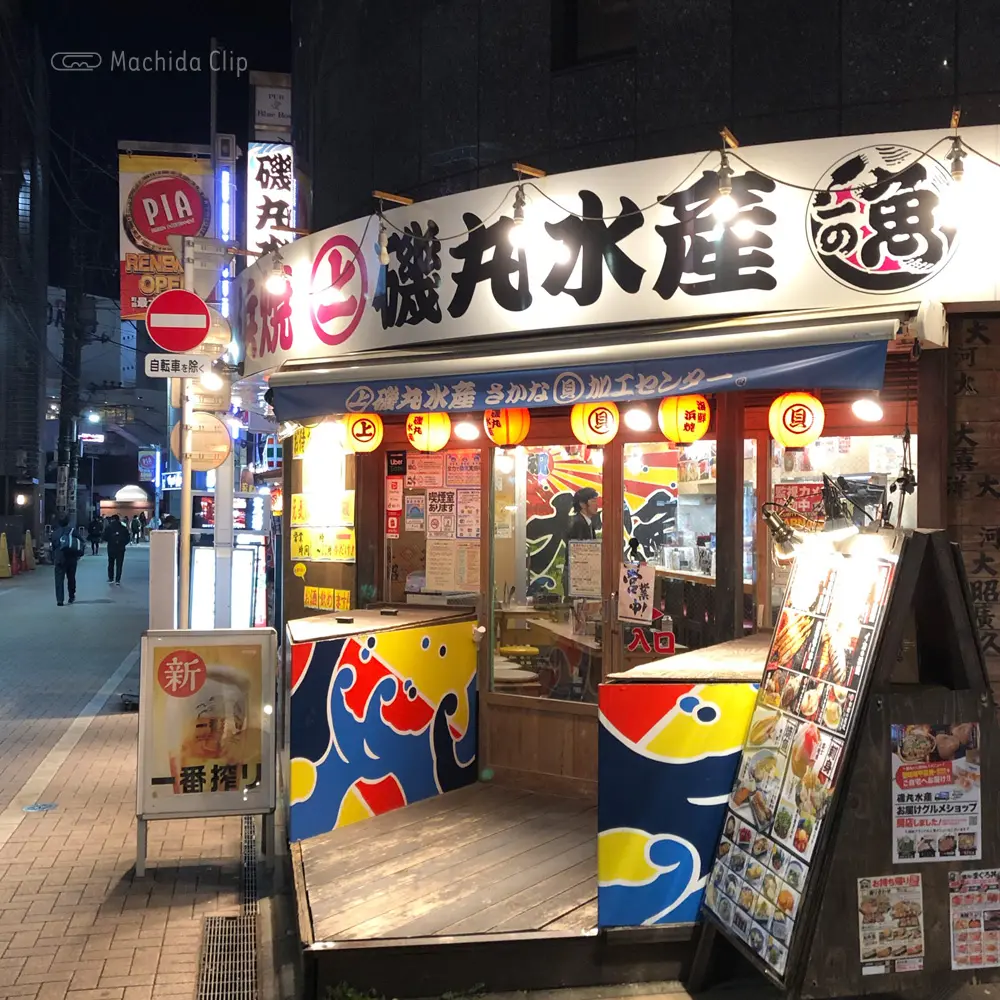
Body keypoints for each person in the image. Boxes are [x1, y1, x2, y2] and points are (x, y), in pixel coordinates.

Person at [51, 516, 84, 606]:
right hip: (71, 558)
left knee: (59, 580)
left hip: (59, 559)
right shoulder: (73, 531)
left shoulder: (55, 533)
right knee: (71, 578)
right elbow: (81, 541)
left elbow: (53, 547)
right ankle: (71, 596)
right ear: (68, 522)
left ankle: (60, 600)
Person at [103, 514, 130, 586]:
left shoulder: (109, 528)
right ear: (118, 519)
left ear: (112, 519)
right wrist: (123, 543)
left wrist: (110, 540)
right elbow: (128, 538)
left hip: (111, 548)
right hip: (120, 549)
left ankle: (111, 578)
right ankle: (118, 580)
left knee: (111, 563)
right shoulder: (123, 528)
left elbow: (104, 537)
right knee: (119, 564)